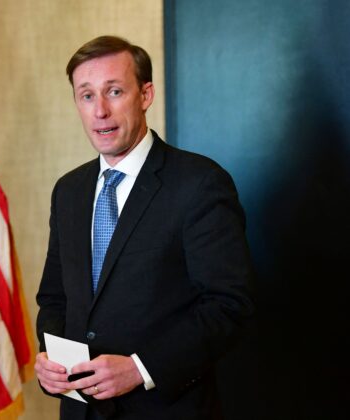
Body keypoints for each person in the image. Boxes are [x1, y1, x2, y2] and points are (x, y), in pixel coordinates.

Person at [34, 36, 254, 419]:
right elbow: (55, 299)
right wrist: (52, 361)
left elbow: (228, 305)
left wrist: (141, 368)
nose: (100, 110)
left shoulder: (199, 183)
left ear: (146, 94)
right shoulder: (68, 191)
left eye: (114, 91)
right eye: (86, 96)